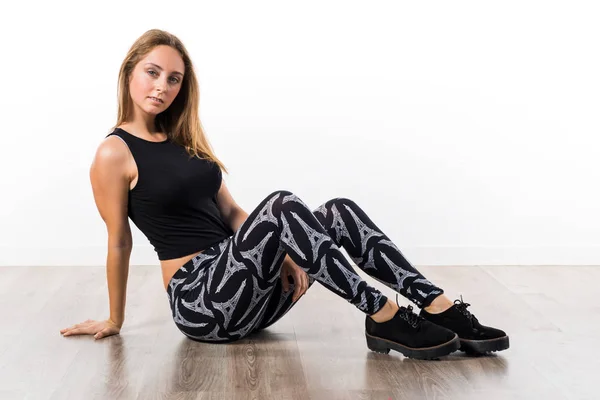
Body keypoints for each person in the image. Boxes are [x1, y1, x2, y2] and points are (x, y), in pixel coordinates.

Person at [60, 29, 509, 360]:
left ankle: (438, 306)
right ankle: (385, 314)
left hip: (250, 288)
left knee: (337, 212)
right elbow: (119, 239)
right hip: (202, 303)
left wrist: (293, 252)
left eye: (174, 79)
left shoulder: (186, 142)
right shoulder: (113, 153)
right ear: (130, 73)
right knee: (280, 204)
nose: (161, 87)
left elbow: (233, 211)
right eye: (152, 73)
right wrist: (114, 320)